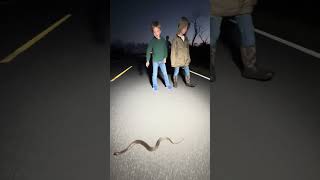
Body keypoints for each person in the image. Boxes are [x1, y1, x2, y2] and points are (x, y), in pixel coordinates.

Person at [210, 0, 274, 82]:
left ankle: (250, 67)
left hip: (243, 4)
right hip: (217, 5)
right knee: (213, 34)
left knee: (248, 32)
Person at [146, 21, 173, 92]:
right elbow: (148, 50)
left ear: (160, 31)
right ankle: (155, 86)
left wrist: (165, 57)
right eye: (154, 32)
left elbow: (165, 50)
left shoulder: (163, 40)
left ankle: (168, 85)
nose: (156, 33)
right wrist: (147, 60)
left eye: (157, 31)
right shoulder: (152, 41)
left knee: (165, 73)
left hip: (162, 61)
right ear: (153, 33)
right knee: (154, 74)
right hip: (155, 61)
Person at [171, 17, 195, 88]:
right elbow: (173, 51)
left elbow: (187, 50)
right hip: (178, 59)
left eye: (186, 28)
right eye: (184, 27)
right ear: (180, 27)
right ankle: (175, 82)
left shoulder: (186, 39)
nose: (185, 29)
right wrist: (173, 61)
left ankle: (188, 82)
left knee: (187, 71)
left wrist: (189, 58)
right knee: (176, 71)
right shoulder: (175, 39)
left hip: (185, 59)